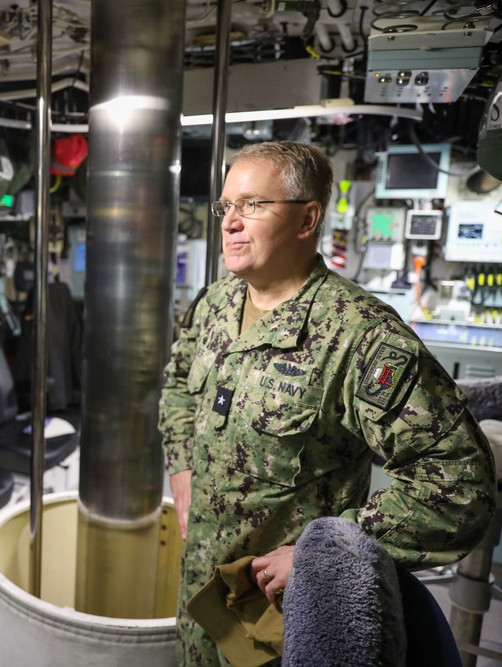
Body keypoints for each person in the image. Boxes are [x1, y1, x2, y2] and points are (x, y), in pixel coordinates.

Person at [158, 141, 497, 666]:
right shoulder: (216, 303)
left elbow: (460, 486)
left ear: (307, 218)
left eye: (253, 205)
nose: (229, 222)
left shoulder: (360, 337)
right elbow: (179, 380)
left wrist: (327, 557)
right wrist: (181, 465)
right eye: (226, 206)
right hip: (202, 598)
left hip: (283, 622)